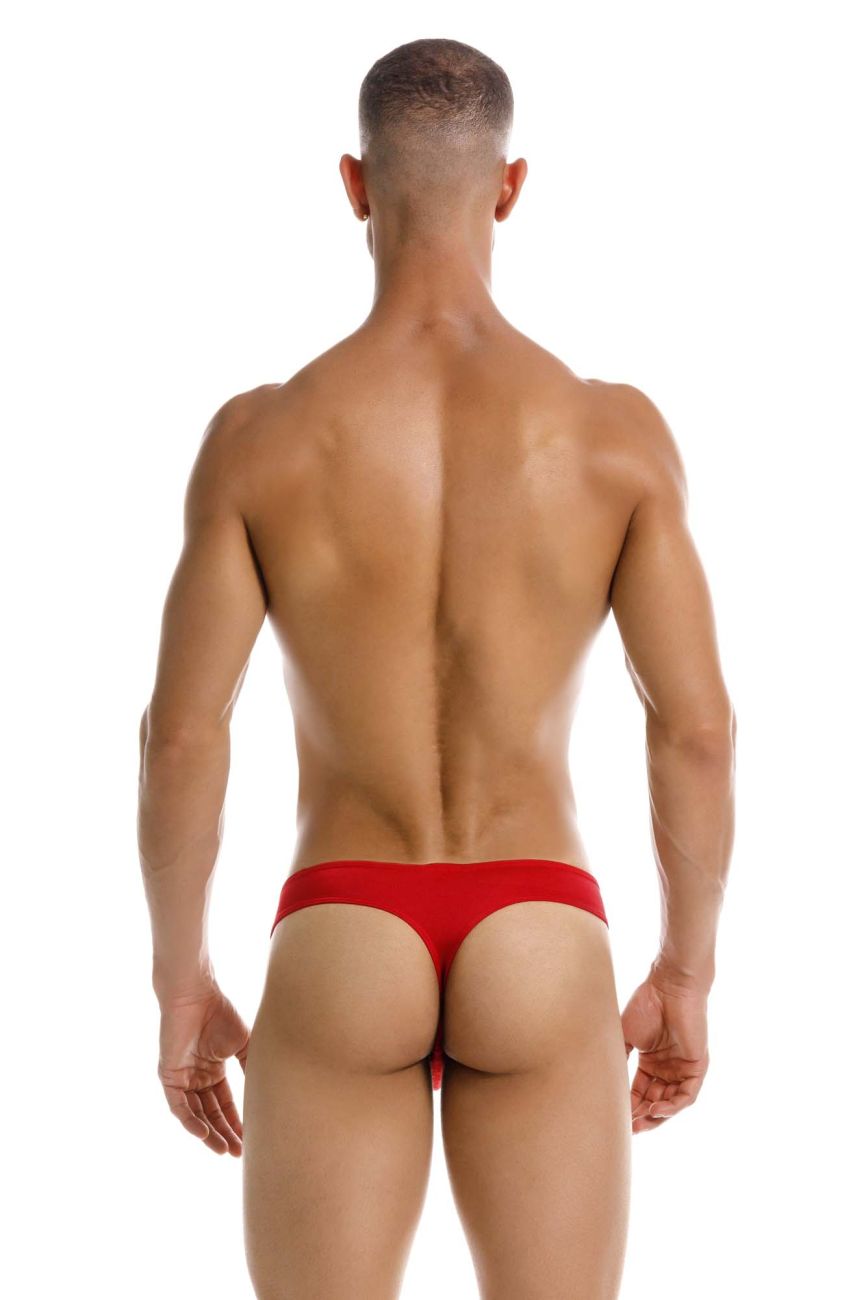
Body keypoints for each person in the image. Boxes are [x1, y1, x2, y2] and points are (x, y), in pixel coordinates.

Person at [137, 36, 736, 1300]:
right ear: (508, 188)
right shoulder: (612, 436)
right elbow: (692, 730)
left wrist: (181, 981)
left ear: (354, 185)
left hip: (344, 920)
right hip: (539, 924)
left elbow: (182, 734)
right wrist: (684, 974)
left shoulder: (261, 439)